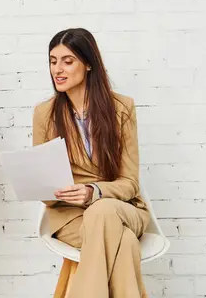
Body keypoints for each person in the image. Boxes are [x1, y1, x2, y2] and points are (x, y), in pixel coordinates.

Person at [33, 28, 150, 297]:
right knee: (126, 243)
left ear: (88, 64)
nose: (57, 69)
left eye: (67, 60)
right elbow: (44, 189)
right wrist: (46, 189)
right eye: (53, 61)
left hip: (123, 209)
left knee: (102, 211)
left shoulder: (121, 108)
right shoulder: (45, 114)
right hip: (71, 217)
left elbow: (130, 183)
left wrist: (94, 193)